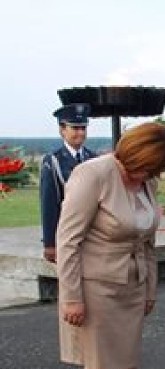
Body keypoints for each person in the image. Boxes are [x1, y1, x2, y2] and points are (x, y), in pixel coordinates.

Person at [55, 122, 165, 369]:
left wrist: (150, 288)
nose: (149, 176)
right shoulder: (92, 175)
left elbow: (148, 241)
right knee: (102, 367)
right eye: (146, 167)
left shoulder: (147, 181)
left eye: (155, 170)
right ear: (132, 155)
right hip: (95, 289)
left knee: (127, 366)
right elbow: (68, 241)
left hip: (132, 286)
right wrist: (71, 297)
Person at [40, 103, 98, 263]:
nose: (80, 133)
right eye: (75, 128)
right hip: (66, 234)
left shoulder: (94, 158)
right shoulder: (53, 161)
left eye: (83, 128)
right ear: (62, 130)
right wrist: (50, 243)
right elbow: (49, 204)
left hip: (93, 236)